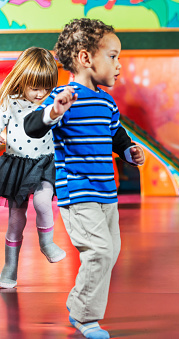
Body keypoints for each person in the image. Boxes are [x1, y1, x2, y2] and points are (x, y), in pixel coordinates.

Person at [24, 18, 145, 339]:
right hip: (77, 192)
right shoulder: (64, 96)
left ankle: (82, 307)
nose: (119, 64)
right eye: (113, 56)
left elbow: (116, 134)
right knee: (100, 252)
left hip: (108, 192)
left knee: (112, 251)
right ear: (86, 58)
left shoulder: (106, 101)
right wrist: (53, 112)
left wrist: (129, 150)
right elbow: (33, 126)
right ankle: (84, 315)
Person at [0, 47, 66, 289]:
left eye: (46, 87)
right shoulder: (10, 101)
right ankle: (10, 267)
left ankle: (46, 243)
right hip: (17, 164)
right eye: (35, 87)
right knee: (16, 220)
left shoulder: (51, 102)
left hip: (44, 163)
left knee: (42, 202)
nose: (40, 93)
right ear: (23, 79)